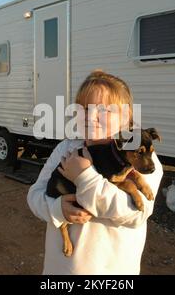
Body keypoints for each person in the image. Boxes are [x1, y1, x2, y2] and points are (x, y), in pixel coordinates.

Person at [27, 70, 163, 274]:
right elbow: (35, 194)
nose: (91, 116)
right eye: (84, 108)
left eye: (105, 110)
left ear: (127, 118)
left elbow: (136, 213)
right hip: (61, 271)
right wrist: (56, 209)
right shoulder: (66, 148)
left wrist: (85, 177)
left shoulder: (141, 161)